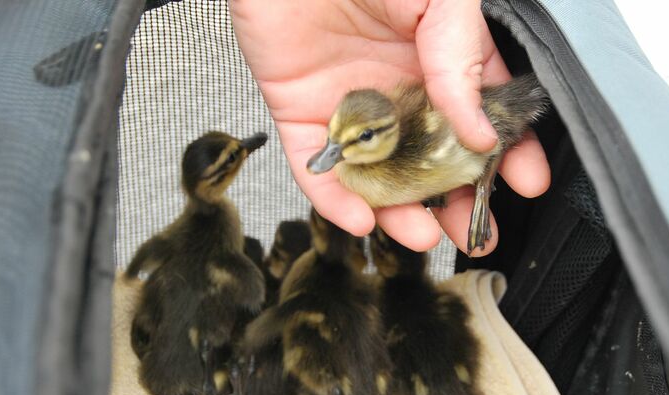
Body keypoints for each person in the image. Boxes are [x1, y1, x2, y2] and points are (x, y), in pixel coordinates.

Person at [229, 0, 550, 257]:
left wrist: (482, 191)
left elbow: (487, 129)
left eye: (363, 137)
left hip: (491, 119)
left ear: (385, 133)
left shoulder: (411, 152)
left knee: (482, 134)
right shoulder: (385, 158)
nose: (327, 154)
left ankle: (480, 188)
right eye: (333, 136)